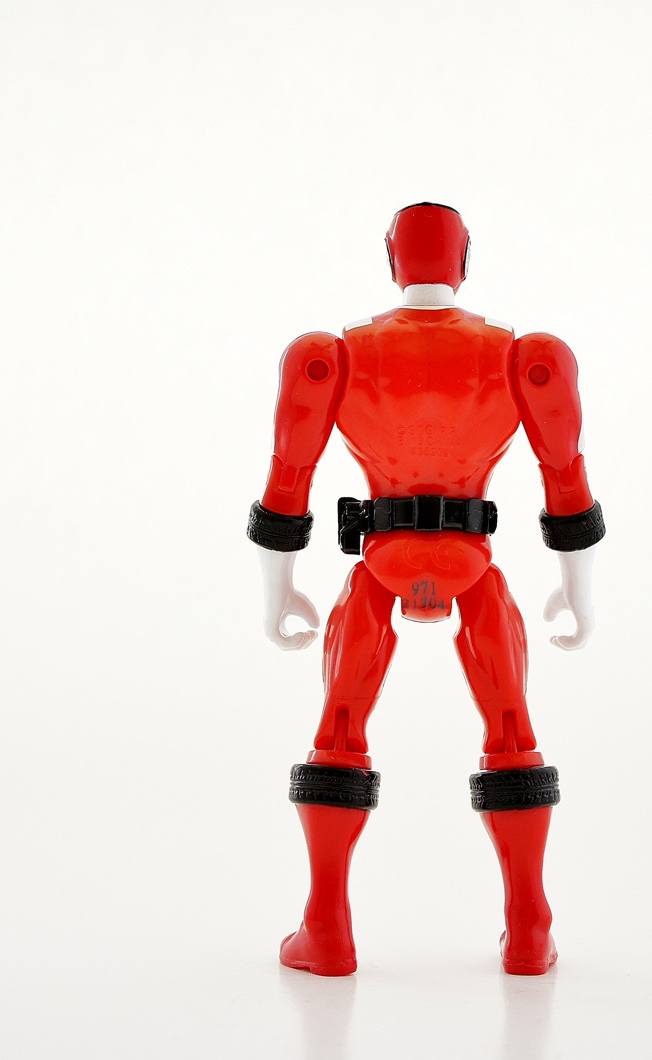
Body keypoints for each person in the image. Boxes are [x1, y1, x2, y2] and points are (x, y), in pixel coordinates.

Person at [248, 202, 605, 976]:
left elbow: (288, 478)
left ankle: (326, 929)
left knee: (339, 730)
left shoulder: (334, 354)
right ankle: (530, 930)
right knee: (511, 730)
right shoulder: (521, 354)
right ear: (464, 260)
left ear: (390, 260)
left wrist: (279, 589)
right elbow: (565, 477)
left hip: (380, 560)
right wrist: (576, 588)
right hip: (472, 563)